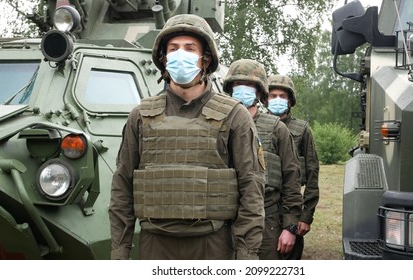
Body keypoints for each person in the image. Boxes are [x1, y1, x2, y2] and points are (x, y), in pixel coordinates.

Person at [108, 14, 266, 260]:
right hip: (154, 245)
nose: (181, 54)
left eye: (189, 48)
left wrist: (246, 255)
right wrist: (120, 252)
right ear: (163, 59)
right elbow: (122, 188)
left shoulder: (235, 115)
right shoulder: (140, 115)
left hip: (213, 244)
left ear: (205, 59)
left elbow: (251, 188)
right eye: (173, 49)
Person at [223, 59, 303, 260]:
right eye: (238, 85)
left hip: (267, 220)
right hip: (224, 220)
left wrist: (290, 227)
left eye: (250, 85)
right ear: (230, 89)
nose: (243, 90)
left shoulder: (277, 129)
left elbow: (292, 180)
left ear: (259, 91)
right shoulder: (218, 125)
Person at [266, 74, 320, 260]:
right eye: (272, 96)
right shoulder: (254, 125)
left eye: (282, 96)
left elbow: (312, 173)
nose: (277, 99)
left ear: (290, 100)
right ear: (265, 98)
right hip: (265, 207)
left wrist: (306, 216)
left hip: (292, 207)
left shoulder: (301, 129)